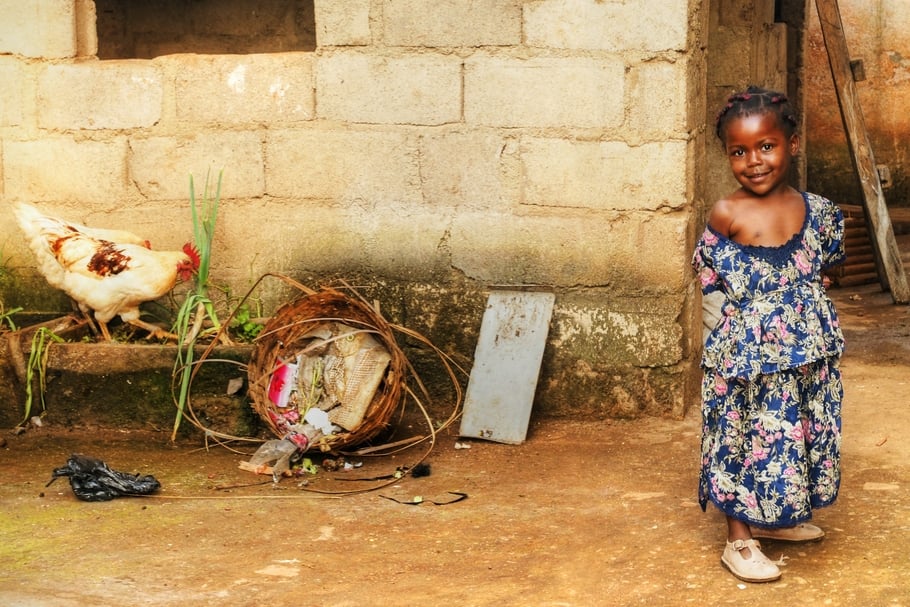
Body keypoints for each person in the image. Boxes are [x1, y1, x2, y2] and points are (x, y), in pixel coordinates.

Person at [692, 86, 846, 583]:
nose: (753, 161)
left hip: (805, 357)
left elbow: (830, 267)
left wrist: (810, 290)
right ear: (727, 155)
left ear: (792, 144)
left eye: (766, 146)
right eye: (739, 151)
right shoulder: (726, 214)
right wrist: (730, 346)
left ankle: (774, 520)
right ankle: (738, 539)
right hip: (746, 361)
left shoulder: (819, 213)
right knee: (742, 437)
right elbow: (710, 283)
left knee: (793, 435)